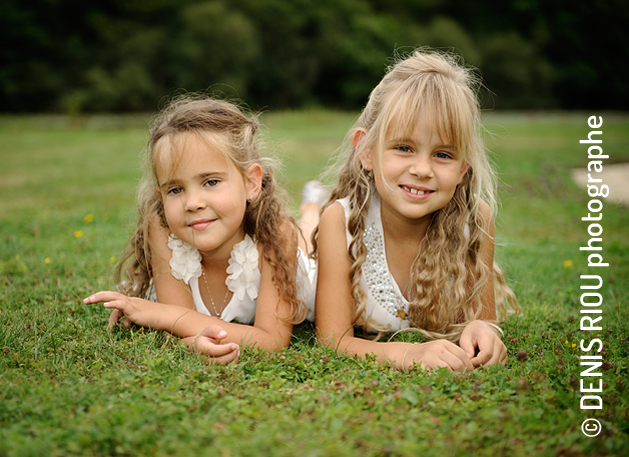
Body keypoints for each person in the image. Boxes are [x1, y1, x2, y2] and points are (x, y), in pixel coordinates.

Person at [313, 50, 521, 371]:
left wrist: (484, 332)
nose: (422, 169)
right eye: (404, 148)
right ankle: (310, 203)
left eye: (442, 154)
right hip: (316, 251)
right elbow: (332, 339)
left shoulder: (475, 219)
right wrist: (409, 354)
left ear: (463, 168)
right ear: (366, 151)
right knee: (306, 231)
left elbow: (483, 320)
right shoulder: (340, 221)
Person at [84, 96, 315, 365]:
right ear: (161, 196)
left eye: (211, 181)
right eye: (176, 189)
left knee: (308, 239)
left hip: (297, 254)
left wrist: (161, 314)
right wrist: (194, 341)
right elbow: (185, 325)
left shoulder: (278, 233)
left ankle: (312, 207)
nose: (192, 203)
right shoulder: (162, 228)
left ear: (251, 182)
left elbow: (271, 341)